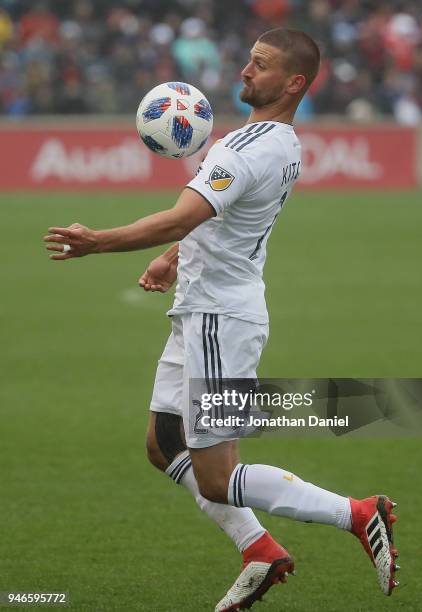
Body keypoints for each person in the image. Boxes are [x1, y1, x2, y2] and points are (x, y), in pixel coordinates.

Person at [44, 28, 399, 611]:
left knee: (215, 475)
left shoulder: (248, 148)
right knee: (163, 444)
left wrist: (98, 241)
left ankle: (360, 514)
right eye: (248, 59)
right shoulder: (281, 142)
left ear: (294, 82)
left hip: (219, 320)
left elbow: (180, 216)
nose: (244, 72)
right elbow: (220, 223)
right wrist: (171, 258)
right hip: (204, 310)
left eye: (259, 65)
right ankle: (259, 550)